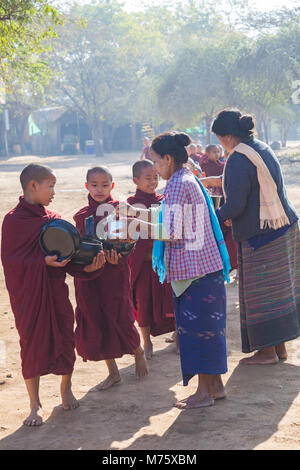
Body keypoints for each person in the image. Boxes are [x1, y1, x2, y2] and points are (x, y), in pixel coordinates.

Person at [123, 132, 230, 409]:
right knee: (208, 330)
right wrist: (138, 219)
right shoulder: (187, 178)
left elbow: (171, 230)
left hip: (197, 273)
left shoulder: (178, 185)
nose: (155, 168)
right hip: (206, 269)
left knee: (198, 333)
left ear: (168, 159)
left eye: (156, 161)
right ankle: (214, 387)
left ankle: (204, 392)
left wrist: (134, 228)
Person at [1, 164, 105, 427]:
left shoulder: (53, 219)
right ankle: (34, 404)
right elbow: (11, 261)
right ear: (33, 186)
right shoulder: (13, 221)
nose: (54, 192)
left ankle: (65, 387)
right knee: (31, 343)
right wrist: (41, 262)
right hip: (29, 297)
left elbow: (67, 256)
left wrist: (87, 266)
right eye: (50, 186)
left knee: (64, 337)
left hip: (56, 292)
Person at [207, 108, 300, 365]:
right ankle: (278, 349)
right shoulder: (259, 146)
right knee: (278, 292)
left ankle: (267, 353)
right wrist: (215, 182)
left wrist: (212, 216)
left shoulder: (238, 158)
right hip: (284, 226)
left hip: (262, 236)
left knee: (261, 294)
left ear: (226, 137)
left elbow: (235, 206)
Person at [73, 166, 148, 391]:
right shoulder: (81, 216)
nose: (99, 189)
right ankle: (113, 372)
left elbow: (128, 244)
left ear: (112, 186)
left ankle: (138, 351)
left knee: (120, 315)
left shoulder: (120, 211)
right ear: (86, 186)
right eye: (94, 185)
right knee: (97, 320)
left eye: (105, 185)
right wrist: (86, 266)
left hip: (115, 273)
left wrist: (119, 259)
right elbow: (77, 247)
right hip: (91, 277)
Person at [127, 159, 175, 359]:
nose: (153, 181)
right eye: (148, 178)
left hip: (164, 264)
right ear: (136, 180)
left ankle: (178, 337)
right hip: (143, 265)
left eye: (155, 177)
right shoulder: (130, 204)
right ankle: (146, 342)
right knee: (143, 302)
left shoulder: (164, 200)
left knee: (172, 300)